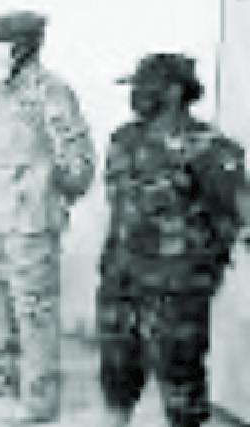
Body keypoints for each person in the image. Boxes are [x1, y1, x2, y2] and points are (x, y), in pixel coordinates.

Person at [0, 11, 96, 423]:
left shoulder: (51, 90)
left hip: (30, 222)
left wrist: (49, 192)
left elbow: (79, 158)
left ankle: (40, 398)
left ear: (23, 44)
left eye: (3, 41)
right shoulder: (3, 90)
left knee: (35, 310)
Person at [98, 53, 246, 427]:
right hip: (121, 281)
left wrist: (208, 260)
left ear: (175, 92)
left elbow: (241, 213)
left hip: (176, 291)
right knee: (117, 372)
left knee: (181, 383)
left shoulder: (210, 148)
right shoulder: (124, 139)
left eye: (146, 87)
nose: (136, 94)